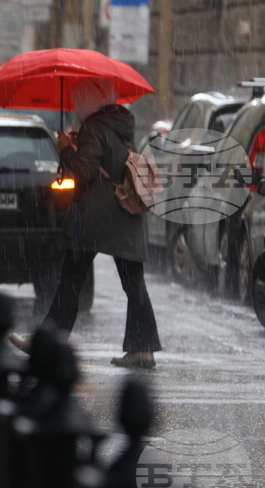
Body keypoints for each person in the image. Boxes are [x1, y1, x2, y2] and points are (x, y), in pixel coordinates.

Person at [11, 78, 162, 368]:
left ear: (91, 101)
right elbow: (106, 160)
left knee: (70, 280)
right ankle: (142, 349)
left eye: (80, 99)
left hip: (97, 216)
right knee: (132, 283)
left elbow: (82, 172)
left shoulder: (95, 125)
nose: (77, 104)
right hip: (123, 214)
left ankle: (46, 343)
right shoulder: (119, 124)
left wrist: (66, 148)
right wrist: (81, 146)